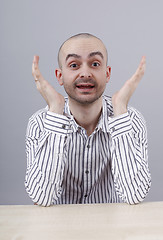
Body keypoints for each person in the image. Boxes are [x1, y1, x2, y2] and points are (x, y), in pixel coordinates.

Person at [25, 33, 151, 206]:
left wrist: (120, 109)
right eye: (74, 65)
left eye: (95, 64)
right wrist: (55, 110)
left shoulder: (132, 120)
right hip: (57, 229)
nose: (85, 73)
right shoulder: (39, 123)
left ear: (107, 74)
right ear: (59, 76)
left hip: (111, 229)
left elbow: (134, 195)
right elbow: (42, 198)